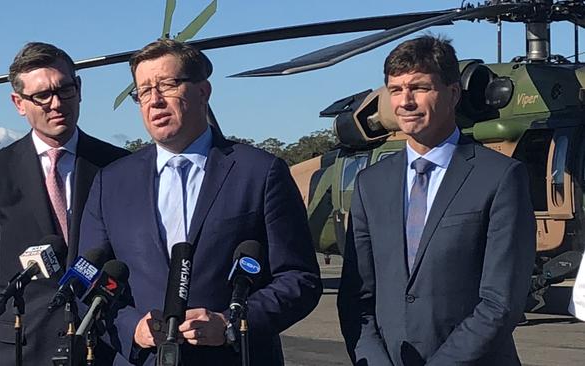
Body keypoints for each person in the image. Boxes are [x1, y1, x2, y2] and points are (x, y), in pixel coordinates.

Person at [78, 38, 322, 366]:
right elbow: (86, 278)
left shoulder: (260, 172)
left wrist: (231, 324)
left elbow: (299, 278)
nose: (155, 100)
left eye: (167, 85)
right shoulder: (111, 182)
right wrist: (131, 328)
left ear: (203, 91)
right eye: (144, 91)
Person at [337, 35, 536, 366]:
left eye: (420, 88)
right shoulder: (371, 184)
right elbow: (357, 296)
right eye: (396, 90)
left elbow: (499, 303)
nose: (406, 101)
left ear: (453, 94)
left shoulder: (500, 177)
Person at [0, 42, 129, 366]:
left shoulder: (118, 166)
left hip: (106, 350)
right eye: (42, 96)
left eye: (65, 90)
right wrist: (6, 340)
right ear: (19, 103)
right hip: (22, 352)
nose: (56, 103)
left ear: (79, 89)